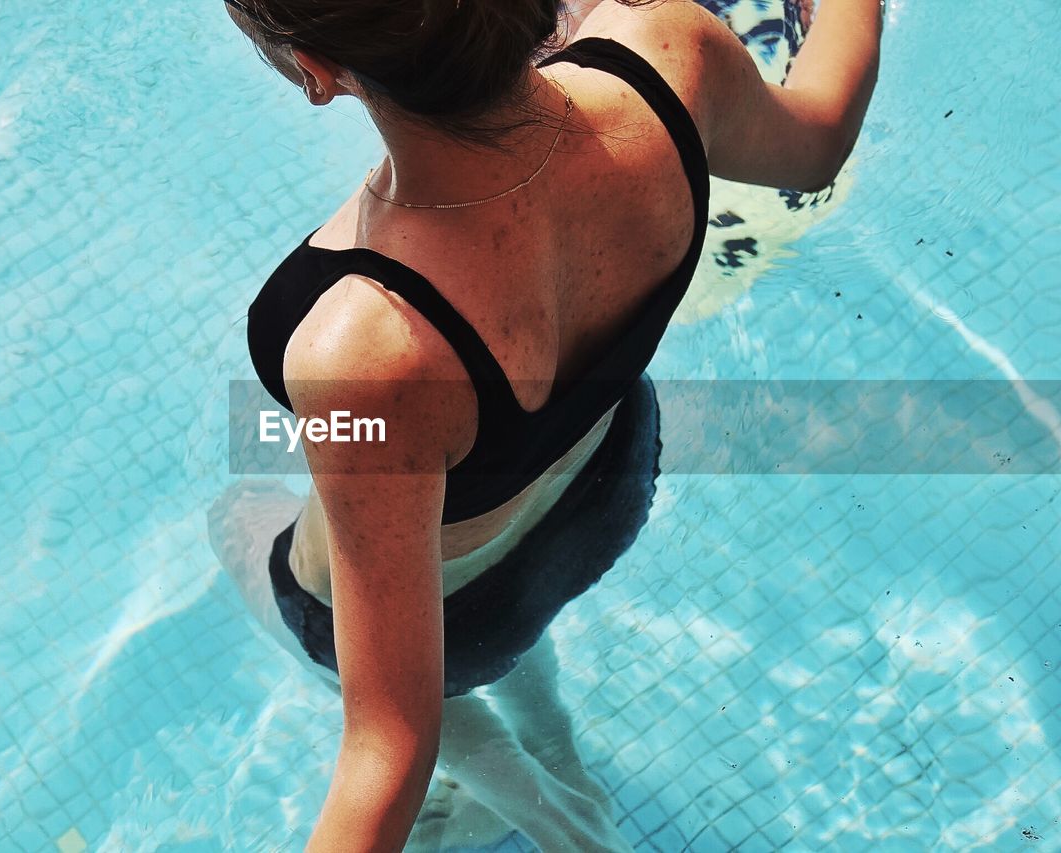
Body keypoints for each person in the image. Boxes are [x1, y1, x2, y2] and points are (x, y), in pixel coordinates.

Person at [208, 0, 882, 849]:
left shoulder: (366, 346)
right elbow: (819, 137)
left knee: (235, 524)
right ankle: (556, 748)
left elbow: (390, 742)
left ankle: (566, 822)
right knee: (503, 622)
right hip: (606, 486)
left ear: (316, 72)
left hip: (460, 599)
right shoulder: (668, 56)